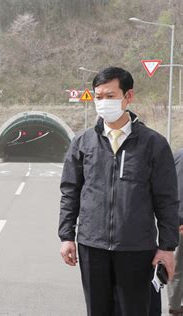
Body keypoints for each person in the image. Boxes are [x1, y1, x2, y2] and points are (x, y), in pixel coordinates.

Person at [58, 67, 179, 316]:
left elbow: (166, 200)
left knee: (137, 310)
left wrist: (167, 247)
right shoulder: (82, 143)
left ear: (128, 96)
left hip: (137, 248)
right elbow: (70, 191)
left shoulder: (152, 144)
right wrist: (66, 236)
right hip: (92, 246)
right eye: (98, 97)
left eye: (110, 96)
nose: (103, 103)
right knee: (98, 311)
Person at [168, 148, 183, 315]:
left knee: (177, 265)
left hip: (175, 220)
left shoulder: (176, 155)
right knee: (178, 265)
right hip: (179, 222)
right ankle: (175, 306)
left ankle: (175, 303)